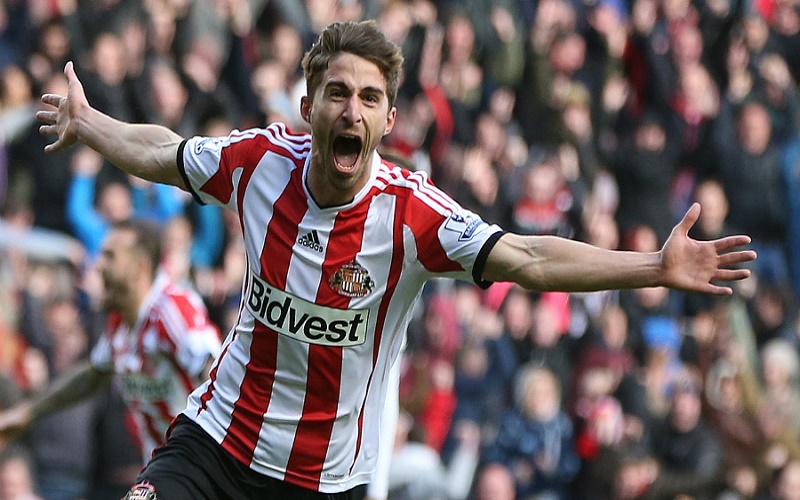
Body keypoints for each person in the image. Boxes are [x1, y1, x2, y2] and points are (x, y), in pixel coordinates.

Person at [32, 19, 754, 500]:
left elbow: (530, 257)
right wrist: (91, 123)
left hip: (323, 480)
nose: (352, 110)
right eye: (338, 94)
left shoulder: (412, 214)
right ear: (309, 106)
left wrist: (652, 267)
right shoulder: (259, 162)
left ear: (389, 120)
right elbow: (164, 152)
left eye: (369, 98)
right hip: (217, 443)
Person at [0, 220, 222, 462]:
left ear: (140, 267)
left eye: (110, 256)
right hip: (164, 464)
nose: (99, 265)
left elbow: (219, 375)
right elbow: (93, 375)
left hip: (199, 464)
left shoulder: (172, 311)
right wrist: (26, 414)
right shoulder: (121, 323)